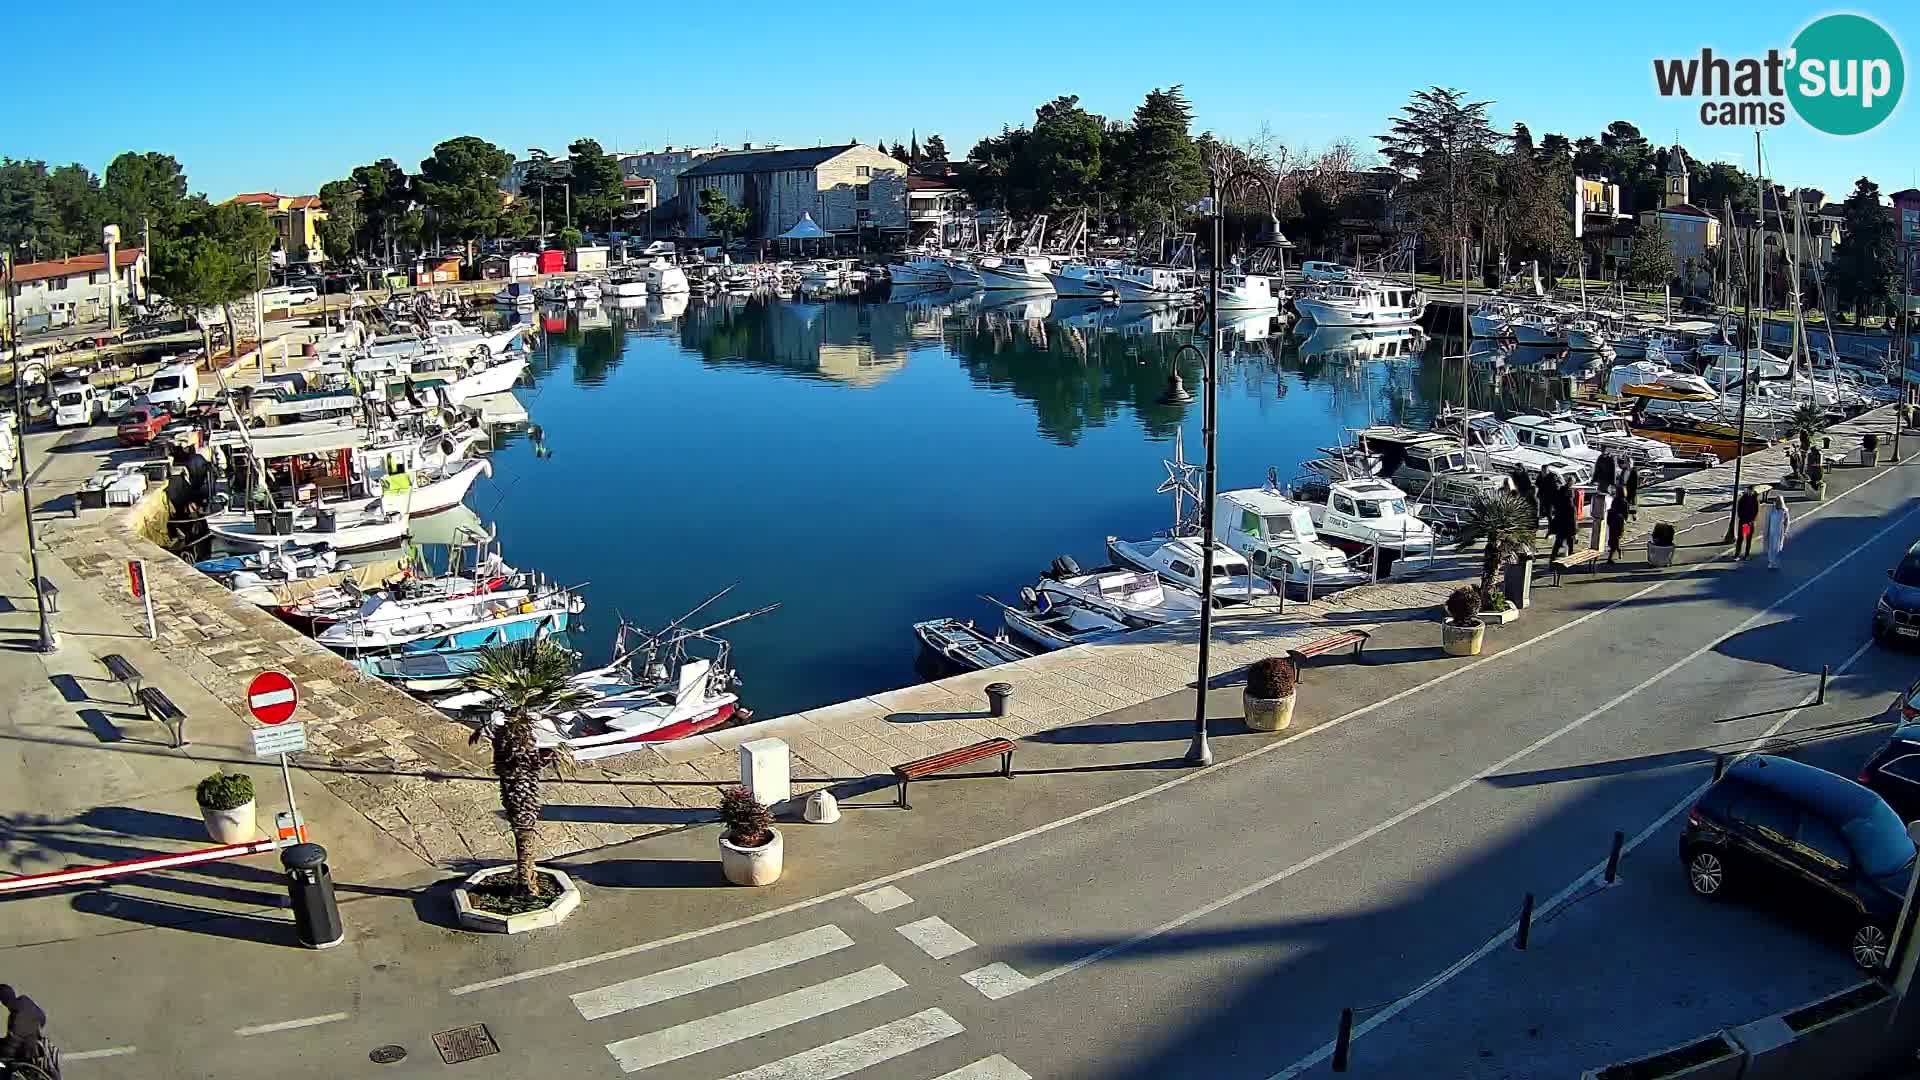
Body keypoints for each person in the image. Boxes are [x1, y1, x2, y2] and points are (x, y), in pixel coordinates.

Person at [0, 984, 46, 1062]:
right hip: (32, 1044)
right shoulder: (24, 1001)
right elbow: (42, 1017)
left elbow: (11, 1046)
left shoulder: (17, 1018)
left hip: (25, 1052)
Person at [1550, 483, 1579, 559]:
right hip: (1568, 527)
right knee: (1570, 543)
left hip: (1561, 527)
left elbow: (1557, 516)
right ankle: (1569, 556)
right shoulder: (1570, 505)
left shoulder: (1559, 503)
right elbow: (1573, 520)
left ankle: (1553, 557)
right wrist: (1575, 531)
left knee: (1558, 543)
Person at [1765, 493, 1792, 569]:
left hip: (1779, 532)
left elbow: (1787, 522)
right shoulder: (1772, 510)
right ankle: (1771, 562)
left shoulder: (1784, 511)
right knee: (1771, 547)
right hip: (1771, 531)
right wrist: (1766, 530)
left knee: (1778, 548)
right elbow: (1768, 520)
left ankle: (1776, 562)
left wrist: (1785, 531)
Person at [1735, 485, 1761, 560]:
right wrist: (1741, 518)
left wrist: (1752, 520)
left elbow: (1756, 511)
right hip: (1744, 521)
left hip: (1749, 522)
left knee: (1748, 538)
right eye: (1748, 490)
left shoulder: (1754, 499)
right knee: (1740, 538)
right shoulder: (1743, 498)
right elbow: (1739, 509)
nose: (1749, 492)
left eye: (1750, 491)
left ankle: (1746, 554)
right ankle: (1737, 554)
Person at [1606, 487, 1630, 564]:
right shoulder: (1624, 502)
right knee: (1616, 539)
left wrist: (1609, 521)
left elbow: (1611, 511)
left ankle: (1610, 558)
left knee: (1613, 539)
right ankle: (1618, 551)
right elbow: (1626, 515)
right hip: (1618, 523)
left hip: (1613, 522)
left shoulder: (1615, 500)